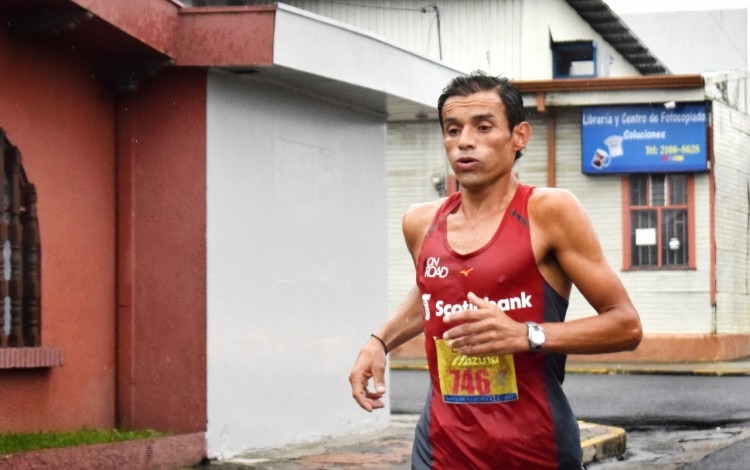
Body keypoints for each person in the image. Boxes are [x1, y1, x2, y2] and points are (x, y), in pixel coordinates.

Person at [348, 72, 643, 470]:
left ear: (519, 136)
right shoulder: (420, 222)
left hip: (533, 450)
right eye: (452, 130)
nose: (464, 141)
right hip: (440, 449)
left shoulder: (550, 212)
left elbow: (625, 326)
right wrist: (378, 342)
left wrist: (526, 334)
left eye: (483, 127)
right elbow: (434, 294)